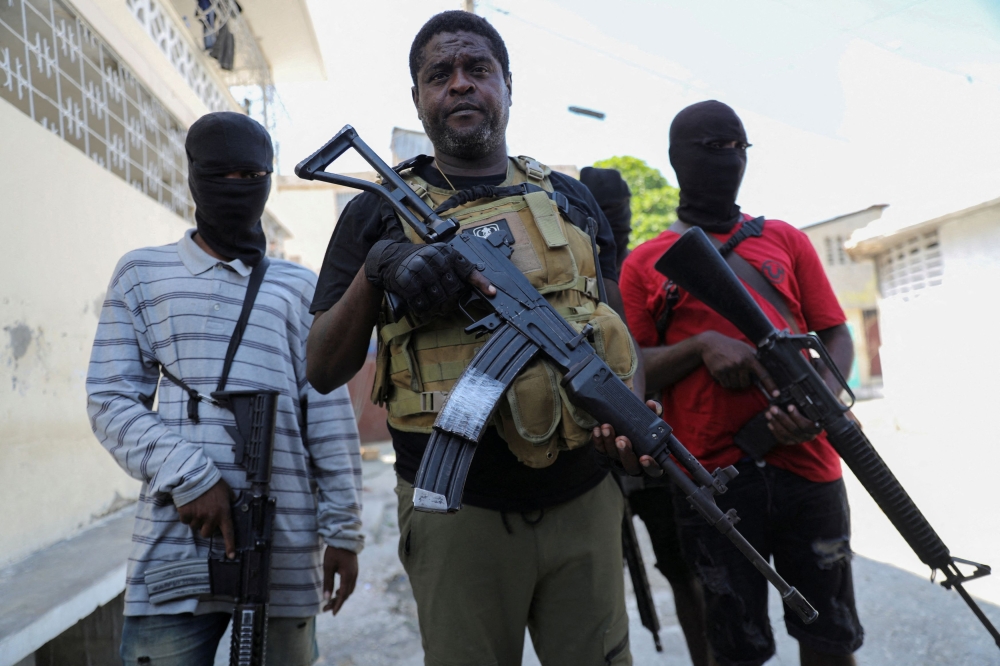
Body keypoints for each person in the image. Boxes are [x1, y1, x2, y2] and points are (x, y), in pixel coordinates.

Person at [306, 11, 660, 665]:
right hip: (457, 510)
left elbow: (614, 335)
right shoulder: (375, 209)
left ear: (507, 85)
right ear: (418, 98)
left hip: (582, 497)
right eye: (440, 74)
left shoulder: (571, 200)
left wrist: (629, 415)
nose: (461, 84)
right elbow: (323, 367)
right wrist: (379, 267)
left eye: (478, 69)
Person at [86, 111, 364, 666]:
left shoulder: (298, 287)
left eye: (251, 176)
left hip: (281, 553)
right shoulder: (142, 274)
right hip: (173, 547)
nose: (237, 189)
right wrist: (189, 476)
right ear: (192, 177)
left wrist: (345, 531)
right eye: (220, 176)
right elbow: (109, 398)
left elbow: (327, 417)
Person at [617, 100, 864, 666]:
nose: (728, 159)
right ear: (679, 159)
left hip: (810, 464)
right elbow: (634, 368)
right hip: (713, 480)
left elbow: (834, 333)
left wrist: (819, 401)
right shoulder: (646, 263)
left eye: (738, 148)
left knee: (831, 640)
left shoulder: (786, 239)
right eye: (712, 148)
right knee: (736, 647)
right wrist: (700, 347)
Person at [581, 166, 714, 666]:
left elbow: (646, 359)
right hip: (594, 455)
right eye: (605, 215)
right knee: (593, 586)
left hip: (652, 449)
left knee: (683, 572)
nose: (613, 225)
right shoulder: (570, 277)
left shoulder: (643, 270)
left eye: (620, 214)